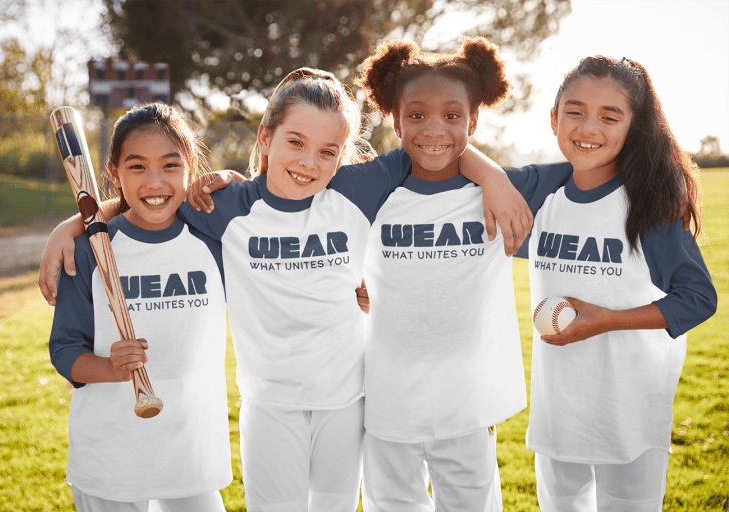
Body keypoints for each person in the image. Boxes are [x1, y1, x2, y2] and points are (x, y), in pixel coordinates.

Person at [41, 69, 530, 512]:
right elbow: (150, 199)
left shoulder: (355, 191)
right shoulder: (226, 206)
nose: (308, 162)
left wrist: (493, 177)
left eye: (327, 151)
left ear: (343, 154)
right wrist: (77, 224)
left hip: (347, 400)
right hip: (270, 405)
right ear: (267, 136)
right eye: (295, 142)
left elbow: (435, 142)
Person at [352, 37, 574, 512]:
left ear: (474, 120)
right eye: (416, 115)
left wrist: (492, 176)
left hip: (467, 404)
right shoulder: (370, 190)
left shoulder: (509, 190)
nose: (434, 128)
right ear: (394, 119)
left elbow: (599, 168)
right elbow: (292, 183)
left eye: (453, 116)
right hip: (386, 399)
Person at [522, 55, 717, 511]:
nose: (588, 127)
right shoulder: (540, 191)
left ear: (635, 127)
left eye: (610, 116)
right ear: (553, 120)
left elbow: (698, 299)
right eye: (575, 111)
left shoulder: (648, 205)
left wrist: (605, 320)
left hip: (628, 408)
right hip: (557, 409)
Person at [48, 103, 233, 511]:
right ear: (113, 174)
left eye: (170, 165)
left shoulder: (213, 239)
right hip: (111, 454)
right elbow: (64, 351)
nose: (155, 182)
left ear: (191, 168)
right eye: (137, 167)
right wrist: (109, 369)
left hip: (191, 444)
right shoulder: (88, 250)